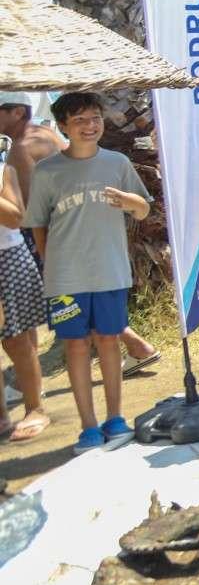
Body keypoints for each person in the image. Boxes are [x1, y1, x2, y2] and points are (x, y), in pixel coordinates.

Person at [23, 93, 151, 453]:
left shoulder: (117, 162)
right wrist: (52, 265)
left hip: (110, 271)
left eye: (95, 118)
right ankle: (88, 426)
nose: (89, 126)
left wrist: (130, 202)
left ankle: (115, 418)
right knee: (76, 346)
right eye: (79, 120)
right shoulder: (47, 170)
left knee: (108, 340)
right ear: (63, 126)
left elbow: (143, 209)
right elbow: (38, 225)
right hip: (65, 278)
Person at [1, 92, 161, 376]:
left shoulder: (22, 147)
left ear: (17, 112)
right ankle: (134, 346)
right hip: (81, 228)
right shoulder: (45, 134)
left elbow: (29, 209)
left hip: (58, 236)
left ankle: (135, 346)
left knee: (73, 303)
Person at [0, 135, 49, 442]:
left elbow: (16, 217)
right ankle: (2, 416)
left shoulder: (4, 170)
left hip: (6, 256)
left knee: (17, 341)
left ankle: (35, 408)